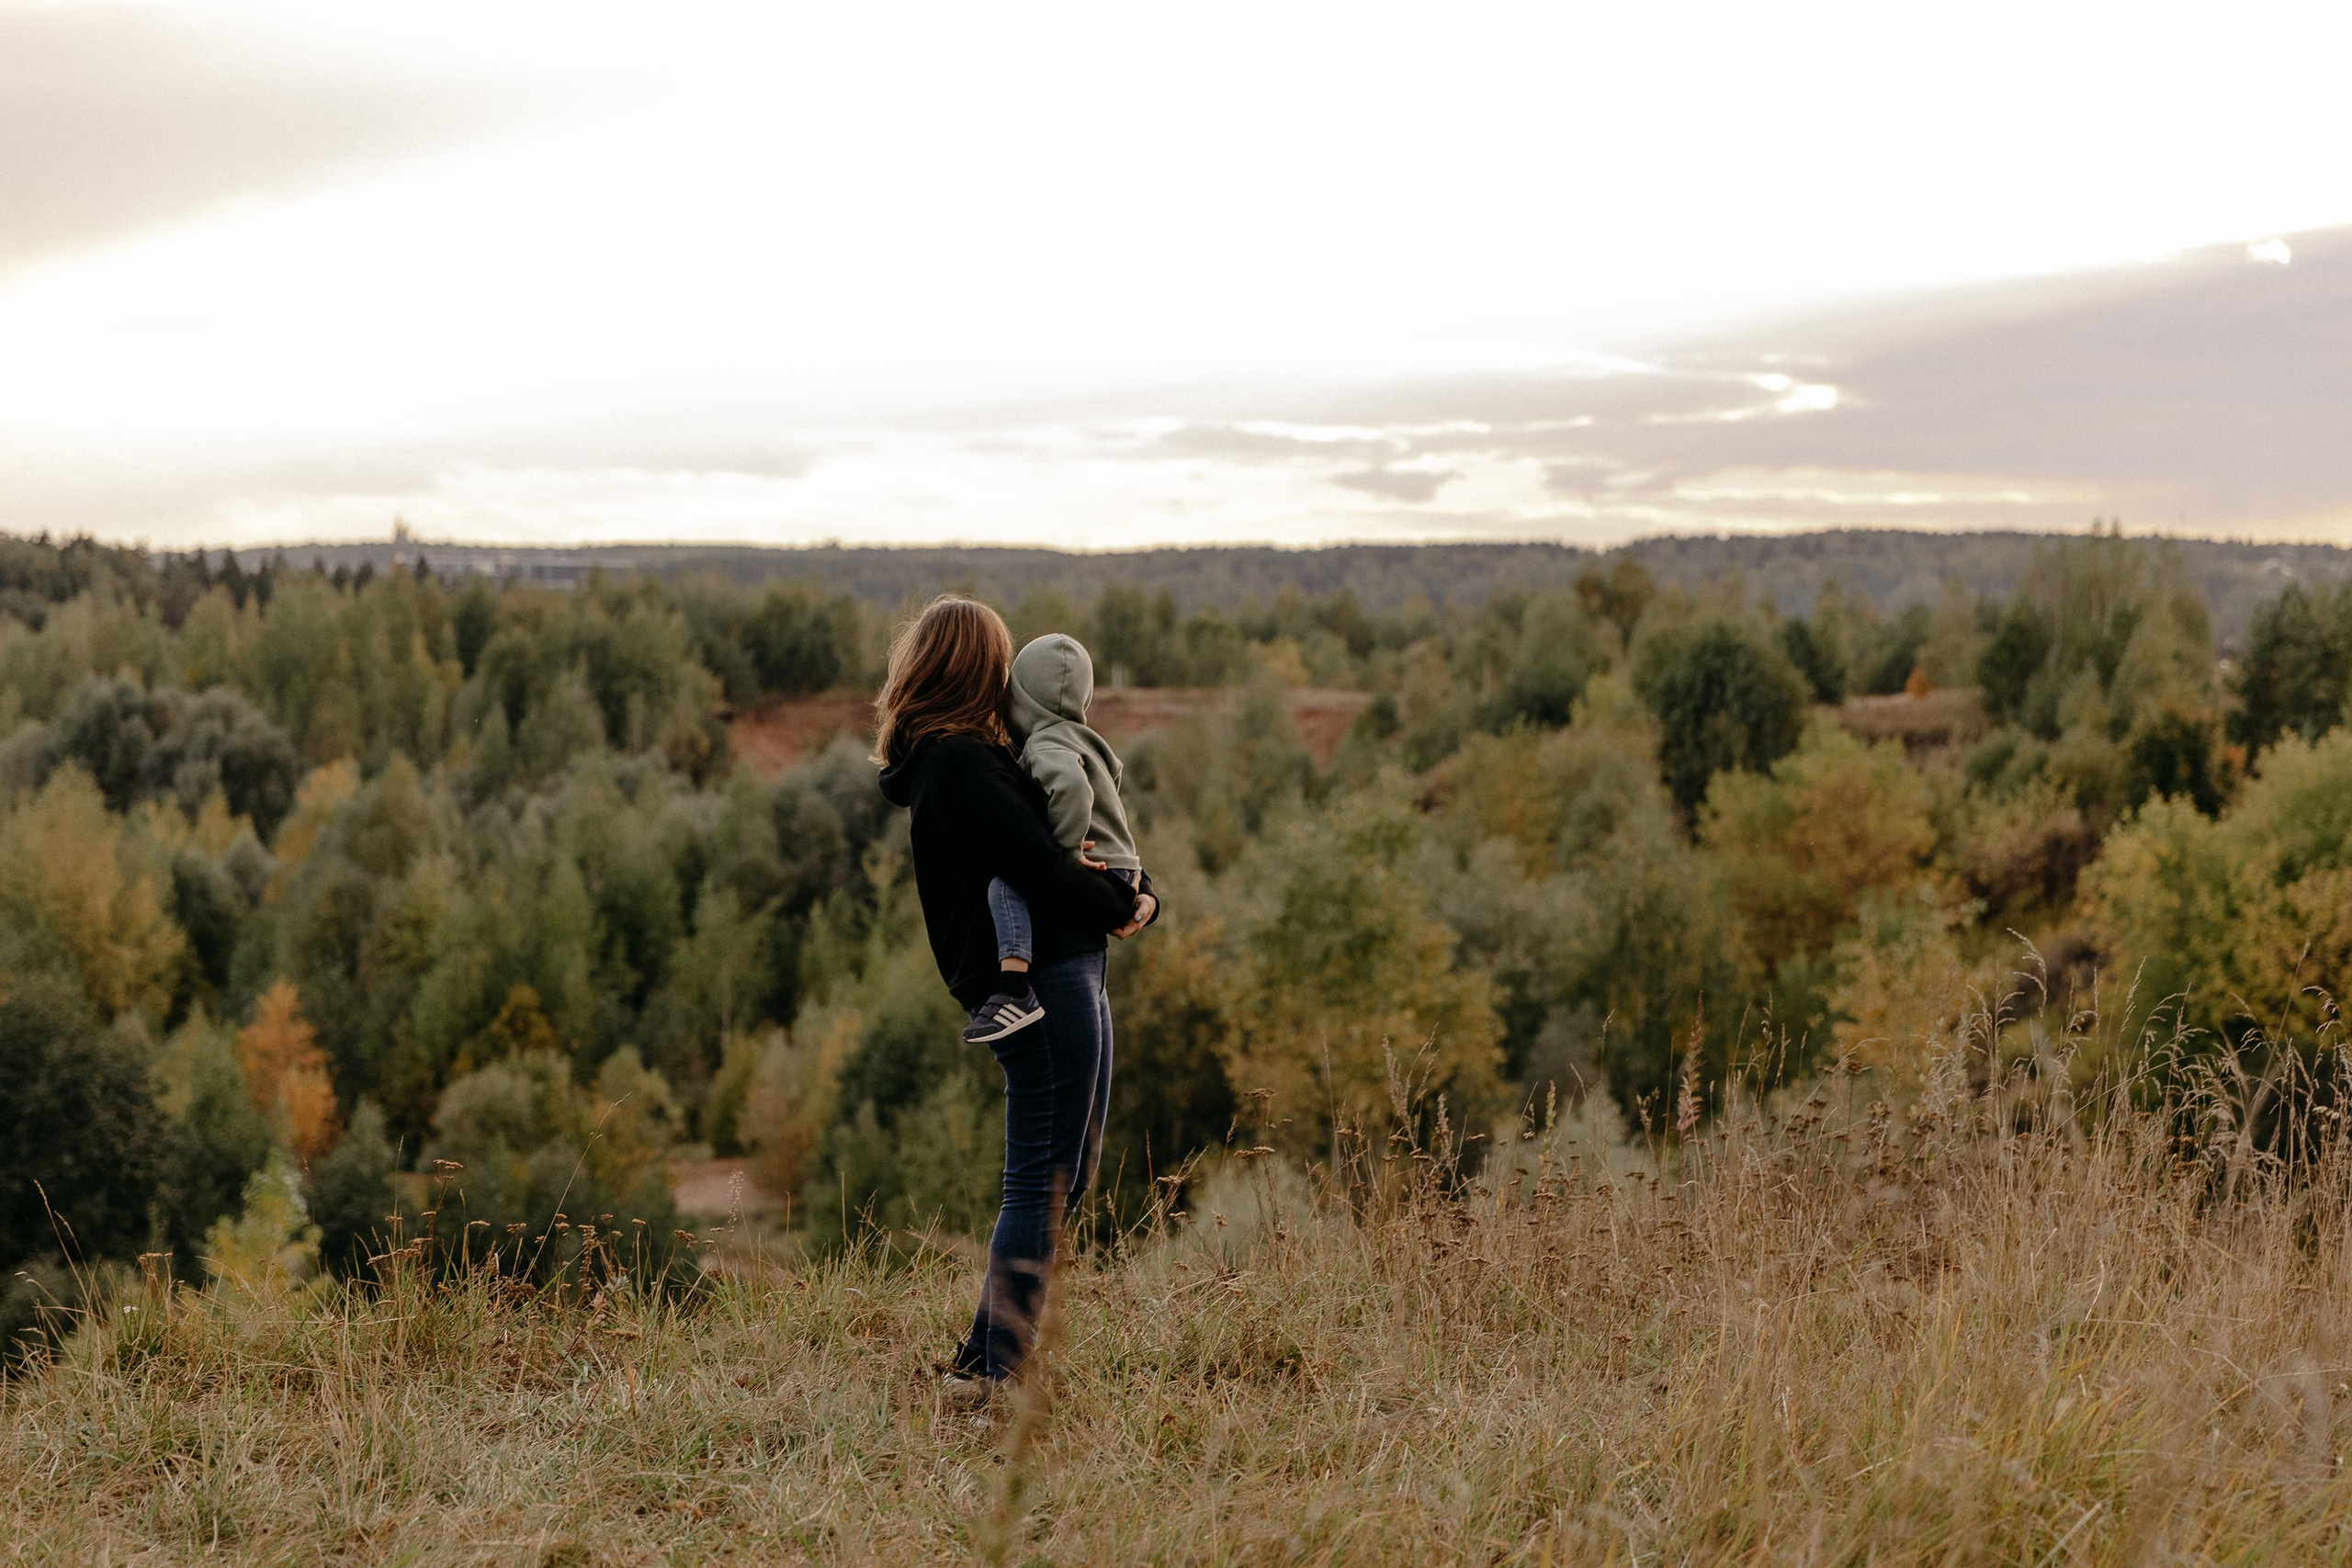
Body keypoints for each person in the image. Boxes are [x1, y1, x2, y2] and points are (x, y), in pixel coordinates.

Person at [872, 596, 1159, 1393]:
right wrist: (1126, 904)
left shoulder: (971, 758)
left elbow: (1084, 837)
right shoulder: (960, 761)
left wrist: (1138, 890)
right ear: (976, 671)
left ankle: (983, 1354)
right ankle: (1000, 1372)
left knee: (1068, 1168)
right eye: (998, 663)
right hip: (1041, 983)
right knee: (1045, 1179)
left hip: (1066, 971)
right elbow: (1042, 863)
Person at [961, 632, 1146, 1046]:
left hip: (1096, 868)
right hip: (1124, 863)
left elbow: (1074, 791)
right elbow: (1110, 783)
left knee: (1005, 888)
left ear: (1021, 698)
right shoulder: (1089, 738)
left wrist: (1064, 849)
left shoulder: (1044, 743)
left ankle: (1014, 987)